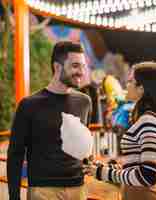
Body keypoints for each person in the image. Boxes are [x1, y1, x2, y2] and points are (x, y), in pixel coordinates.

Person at [7, 41, 92, 200]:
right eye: (75, 66)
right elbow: (15, 154)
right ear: (57, 67)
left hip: (78, 187)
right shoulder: (29, 105)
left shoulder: (84, 102)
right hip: (43, 189)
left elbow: (82, 147)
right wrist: (14, 196)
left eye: (83, 66)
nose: (81, 72)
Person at [85, 61, 156, 200]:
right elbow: (135, 169)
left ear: (142, 88)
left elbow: (148, 176)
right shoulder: (146, 119)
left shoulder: (149, 122)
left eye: (130, 81)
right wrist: (101, 169)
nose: (126, 86)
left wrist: (103, 173)